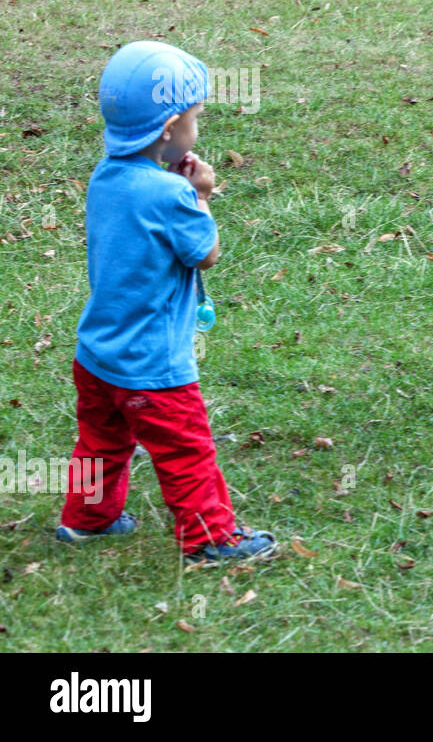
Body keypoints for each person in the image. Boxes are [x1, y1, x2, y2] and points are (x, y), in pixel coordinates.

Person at [57, 40, 275, 565]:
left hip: (97, 355)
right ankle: (209, 538)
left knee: (100, 442)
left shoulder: (104, 177)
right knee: (186, 451)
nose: (199, 130)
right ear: (169, 129)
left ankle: (87, 519)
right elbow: (206, 255)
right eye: (196, 119)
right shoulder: (172, 195)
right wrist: (199, 195)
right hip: (154, 367)